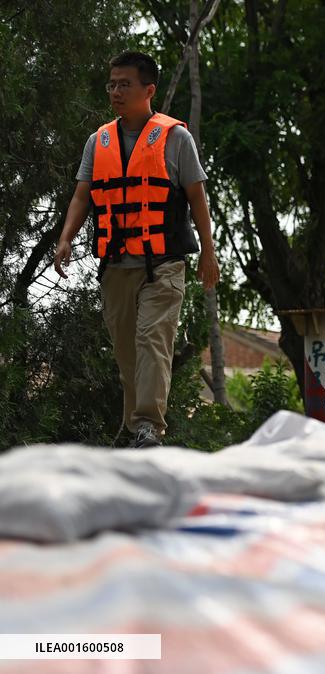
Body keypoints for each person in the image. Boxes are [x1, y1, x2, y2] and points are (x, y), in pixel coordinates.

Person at [53, 51, 219, 448]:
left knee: (152, 341)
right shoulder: (99, 141)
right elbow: (83, 195)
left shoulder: (176, 138)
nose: (115, 91)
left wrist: (209, 252)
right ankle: (134, 431)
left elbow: (197, 198)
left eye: (124, 84)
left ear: (149, 90)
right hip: (115, 265)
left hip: (163, 264)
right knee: (128, 357)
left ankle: (147, 427)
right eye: (111, 84)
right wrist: (65, 237)